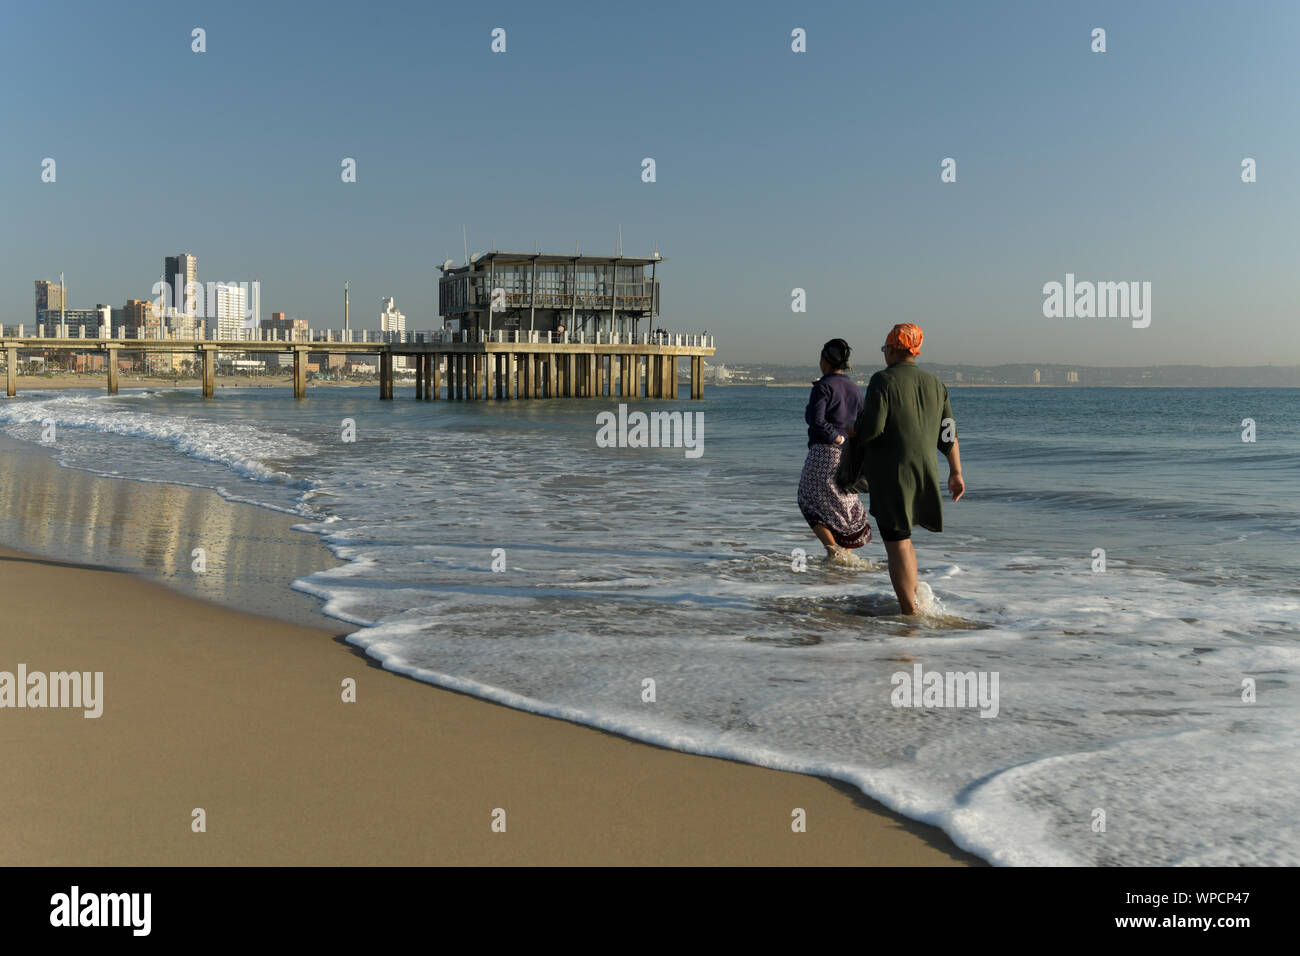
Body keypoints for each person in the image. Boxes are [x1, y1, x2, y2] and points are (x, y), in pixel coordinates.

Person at [848, 323, 964, 614]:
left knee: (896, 543)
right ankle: (914, 605)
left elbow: (872, 429)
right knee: (905, 540)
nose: (884, 353)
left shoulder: (882, 381)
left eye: (885, 348)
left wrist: (852, 430)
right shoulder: (936, 383)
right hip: (924, 473)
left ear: (894, 349)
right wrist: (956, 472)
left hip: (892, 475)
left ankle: (908, 613)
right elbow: (947, 433)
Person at [797, 339, 872, 560]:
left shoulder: (823, 386)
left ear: (825, 361)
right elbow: (862, 423)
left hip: (825, 451)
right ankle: (844, 556)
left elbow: (816, 421)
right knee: (842, 505)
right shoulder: (855, 389)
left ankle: (833, 551)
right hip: (849, 454)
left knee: (807, 498)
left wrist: (836, 438)